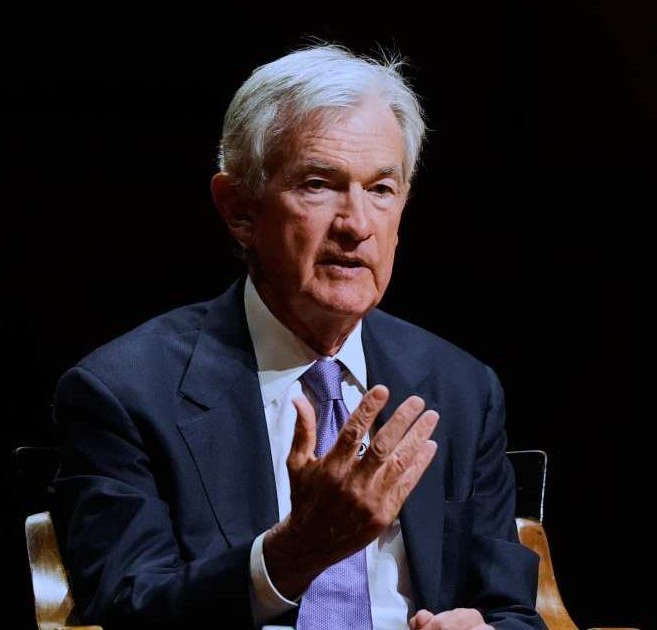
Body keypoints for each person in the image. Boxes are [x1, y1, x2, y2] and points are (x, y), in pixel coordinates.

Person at [50, 45, 545, 630]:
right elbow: (127, 609)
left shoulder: (462, 388)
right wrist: (294, 555)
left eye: (381, 189)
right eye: (318, 184)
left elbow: (514, 612)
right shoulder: (125, 393)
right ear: (239, 210)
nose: (357, 225)